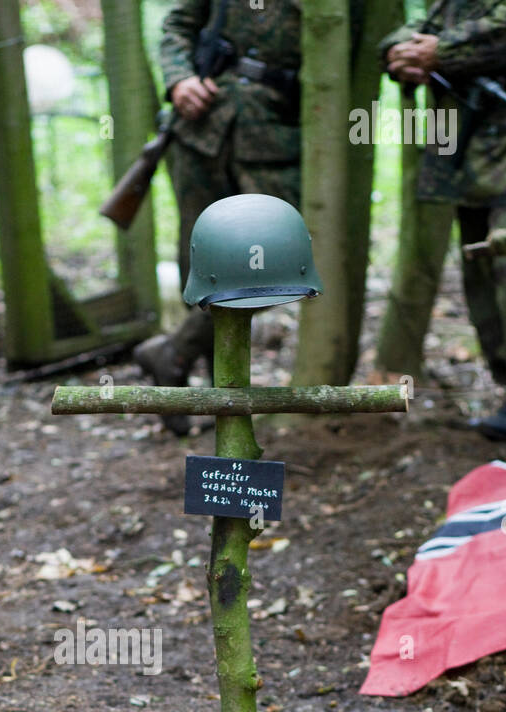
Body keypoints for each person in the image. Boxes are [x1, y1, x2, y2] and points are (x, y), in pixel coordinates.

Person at [133, 0, 303, 434]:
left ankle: (173, 352)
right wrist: (179, 79)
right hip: (202, 131)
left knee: (272, 262)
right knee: (201, 267)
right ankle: (218, 399)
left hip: (277, 140)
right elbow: (178, 24)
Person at [382, 2, 506, 441]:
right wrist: (401, 51)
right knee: (480, 266)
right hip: (464, 143)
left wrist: (441, 52)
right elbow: (422, 26)